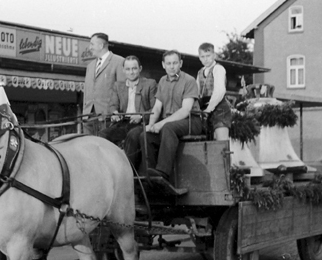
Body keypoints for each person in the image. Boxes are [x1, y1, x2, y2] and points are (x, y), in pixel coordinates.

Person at [125, 50, 202, 180]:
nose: (172, 67)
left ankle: (163, 172)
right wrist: (151, 125)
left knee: (168, 128)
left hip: (191, 121)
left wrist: (160, 124)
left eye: (175, 63)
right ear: (163, 65)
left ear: (181, 63)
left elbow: (185, 110)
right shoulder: (162, 81)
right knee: (145, 135)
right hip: (170, 121)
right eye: (168, 63)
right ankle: (149, 174)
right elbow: (157, 107)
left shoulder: (189, 80)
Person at [99, 55, 157, 146]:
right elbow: (113, 105)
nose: (131, 72)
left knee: (132, 136)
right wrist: (114, 112)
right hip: (123, 123)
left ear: (140, 69)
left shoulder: (150, 84)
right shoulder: (118, 86)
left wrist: (141, 117)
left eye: (134, 68)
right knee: (102, 135)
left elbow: (155, 109)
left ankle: (129, 160)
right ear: (123, 70)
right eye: (128, 69)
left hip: (141, 124)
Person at [82, 32, 125, 135]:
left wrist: (118, 113)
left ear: (101, 45)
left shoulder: (119, 62)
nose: (90, 47)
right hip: (88, 117)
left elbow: (122, 91)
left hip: (107, 117)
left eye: (92, 44)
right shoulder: (90, 66)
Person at [196, 42, 232, 140]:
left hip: (220, 108)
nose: (205, 59)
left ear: (214, 55)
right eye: (202, 56)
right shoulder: (200, 72)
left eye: (208, 56)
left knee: (222, 143)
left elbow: (219, 91)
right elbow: (197, 92)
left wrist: (209, 108)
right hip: (206, 108)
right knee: (209, 141)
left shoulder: (218, 69)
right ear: (199, 57)